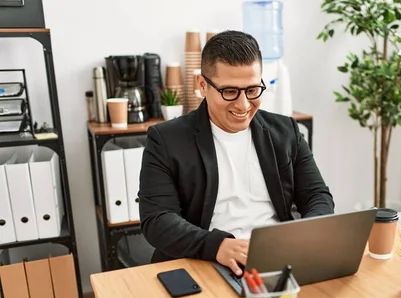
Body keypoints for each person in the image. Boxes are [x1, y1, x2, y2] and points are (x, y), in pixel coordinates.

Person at [138, 30, 335, 276]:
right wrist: (216, 245)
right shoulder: (166, 139)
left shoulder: (286, 131)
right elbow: (157, 220)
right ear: (202, 85)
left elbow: (317, 195)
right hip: (204, 260)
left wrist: (303, 236)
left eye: (252, 90)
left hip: (276, 258)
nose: (243, 105)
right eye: (229, 91)